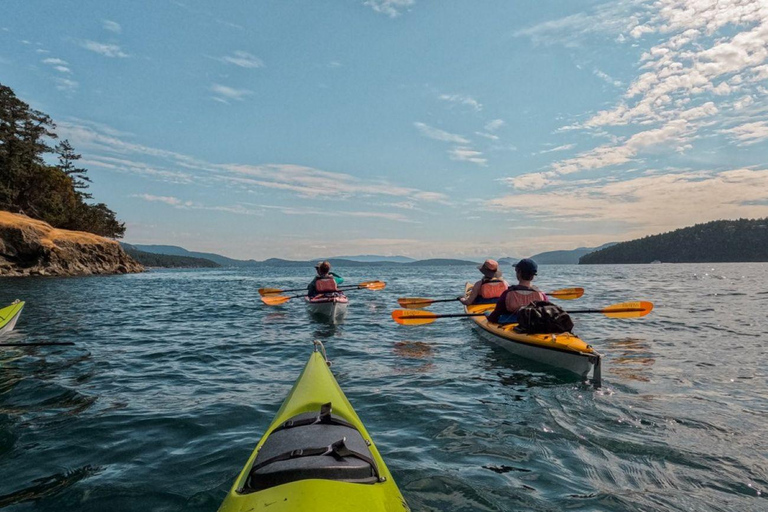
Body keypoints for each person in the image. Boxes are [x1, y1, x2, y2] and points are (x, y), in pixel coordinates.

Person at [487, 258, 547, 324]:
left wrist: (488, 318)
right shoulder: (541, 295)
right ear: (533, 276)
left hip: (509, 323)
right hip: (534, 324)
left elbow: (495, 316)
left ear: (519, 273)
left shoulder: (507, 293)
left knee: (487, 313)